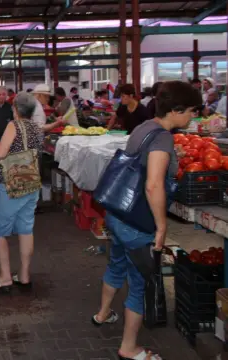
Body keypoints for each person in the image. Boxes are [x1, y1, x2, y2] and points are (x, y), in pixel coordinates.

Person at [93, 81, 202, 360]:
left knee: (116, 264)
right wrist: (162, 227)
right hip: (136, 223)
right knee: (140, 283)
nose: (193, 116)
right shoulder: (163, 137)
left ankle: (103, 314)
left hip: (118, 213)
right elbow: (153, 185)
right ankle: (129, 348)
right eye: (191, 111)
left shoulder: (144, 127)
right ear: (176, 110)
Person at [0, 92, 42, 292]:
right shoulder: (36, 127)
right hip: (31, 183)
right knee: (26, 229)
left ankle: (5, 276)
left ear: (15, 109)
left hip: (10, 184)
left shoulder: (13, 126)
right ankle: (24, 275)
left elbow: (0, 154)